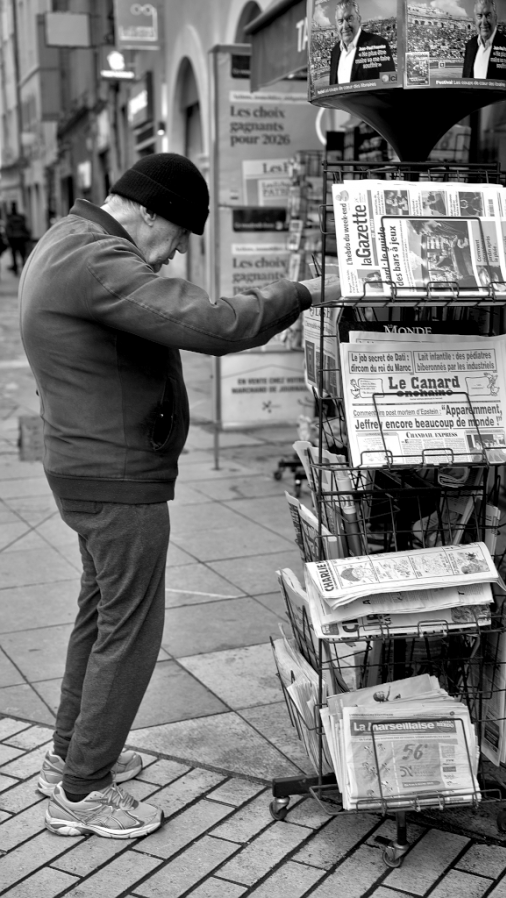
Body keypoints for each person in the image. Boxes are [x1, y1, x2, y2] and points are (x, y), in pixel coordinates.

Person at [19, 152, 339, 840]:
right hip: (114, 477)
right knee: (129, 630)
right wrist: (304, 291)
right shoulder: (98, 258)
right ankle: (83, 791)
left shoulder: (66, 239)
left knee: (101, 616)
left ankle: (68, 758)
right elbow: (214, 323)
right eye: (178, 235)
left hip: (89, 467)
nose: (174, 254)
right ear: (149, 212)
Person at [329, 0, 395, 85]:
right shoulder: (335, 51)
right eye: (340, 21)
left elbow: (390, 83)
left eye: (349, 19)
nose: (345, 26)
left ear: (359, 19)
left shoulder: (378, 44)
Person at [462, 0, 506, 80]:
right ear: (475, 19)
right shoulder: (470, 45)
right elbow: (465, 79)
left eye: (488, 15)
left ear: (495, 18)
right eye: (479, 16)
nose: (484, 22)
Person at [5, 203, 31, 274]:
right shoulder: (20, 218)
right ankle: (24, 268)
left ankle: (15, 268)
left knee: (14, 255)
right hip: (21, 238)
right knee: (22, 254)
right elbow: (24, 228)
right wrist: (27, 235)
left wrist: (9, 238)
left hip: (13, 239)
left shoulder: (10, 219)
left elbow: (8, 229)